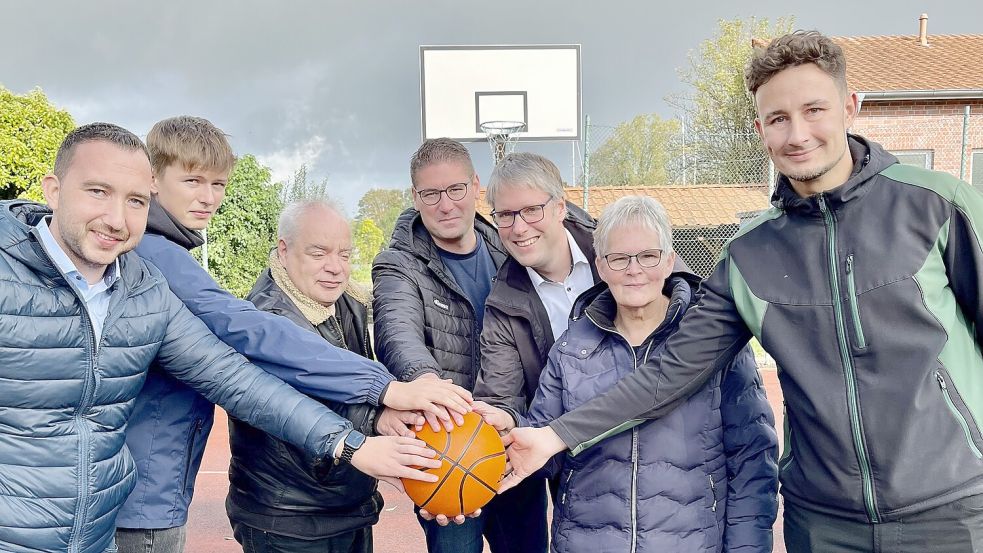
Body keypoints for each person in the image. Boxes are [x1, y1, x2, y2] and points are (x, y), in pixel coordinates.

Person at [500, 31, 983, 551]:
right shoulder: (749, 255)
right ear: (760, 129)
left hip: (955, 508)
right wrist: (552, 436)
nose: (797, 134)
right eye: (778, 119)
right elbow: (667, 372)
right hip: (822, 521)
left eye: (814, 110)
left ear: (850, 106)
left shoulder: (937, 204)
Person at [0, 122, 442, 553]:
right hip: (127, 505)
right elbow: (244, 328)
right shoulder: (149, 260)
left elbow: (234, 378)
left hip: (101, 521)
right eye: (98, 191)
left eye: (134, 200)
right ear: (53, 190)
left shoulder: (142, 288)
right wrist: (380, 388)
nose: (116, 217)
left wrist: (350, 442)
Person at [115, 116, 471, 553]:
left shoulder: (346, 302)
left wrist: (377, 413)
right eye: (193, 181)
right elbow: (248, 339)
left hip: (159, 487)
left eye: (219, 184)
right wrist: (382, 393)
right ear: (153, 178)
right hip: (161, 496)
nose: (208, 198)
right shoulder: (156, 254)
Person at [480, 195, 778, 552]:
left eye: (647, 256)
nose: (633, 270)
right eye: (619, 258)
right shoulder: (571, 350)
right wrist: (507, 431)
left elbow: (751, 463)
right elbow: (545, 450)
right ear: (601, 267)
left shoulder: (714, 346)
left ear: (669, 261)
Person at [372, 139, 544, 553]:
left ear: (475, 186)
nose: (445, 204)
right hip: (448, 448)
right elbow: (397, 330)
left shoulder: (512, 249)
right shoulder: (398, 263)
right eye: (431, 194)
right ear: (415, 196)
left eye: (455, 190)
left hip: (510, 438)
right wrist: (425, 383)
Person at [228, 199, 408, 553]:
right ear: (284, 250)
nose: (336, 268)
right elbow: (306, 401)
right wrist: (382, 417)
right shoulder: (266, 317)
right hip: (289, 518)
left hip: (346, 504)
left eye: (344, 254)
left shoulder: (347, 303)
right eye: (319, 253)